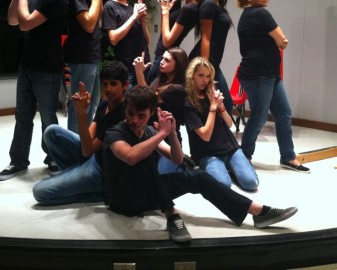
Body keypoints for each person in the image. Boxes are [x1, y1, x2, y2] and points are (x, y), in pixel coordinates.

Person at [103, 85, 298, 243]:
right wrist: (161, 134)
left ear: (151, 113)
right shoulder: (115, 133)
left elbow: (177, 159)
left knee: (197, 176)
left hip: (147, 192)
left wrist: (170, 133)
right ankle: (171, 214)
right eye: (130, 113)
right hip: (123, 199)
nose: (134, 120)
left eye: (141, 116)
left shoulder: (148, 132)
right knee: (145, 161)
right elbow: (131, 156)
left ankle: (257, 211)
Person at [0, 0, 69, 181]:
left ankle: (54, 159)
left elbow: (26, 24)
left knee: (48, 117)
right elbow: (12, 19)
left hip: (47, 67)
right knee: (22, 116)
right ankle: (17, 161)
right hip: (27, 65)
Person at [236, 0, 310, 173]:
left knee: (284, 114)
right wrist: (280, 41)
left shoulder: (248, 14)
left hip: (269, 74)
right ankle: (243, 157)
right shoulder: (260, 14)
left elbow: (280, 41)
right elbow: (282, 39)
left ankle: (288, 157)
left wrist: (280, 41)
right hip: (258, 75)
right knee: (259, 118)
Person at [32, 61, 129, 205]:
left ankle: (97, 193)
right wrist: (80, 111)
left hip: (101, 169)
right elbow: (87, 141)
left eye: (113, 84)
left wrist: (82, 113)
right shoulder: (104, 104)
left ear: (125, 85)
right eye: (105, 84)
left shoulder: (122, 114)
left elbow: (87, 150)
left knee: (39, 192)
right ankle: (76, 176)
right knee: (51, 132)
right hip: (92, 156)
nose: (108, 89)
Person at [184, 57, 259, 190]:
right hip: (207, 153)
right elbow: (205, 136)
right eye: (201, 75)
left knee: (252, 183)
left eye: (208, 76)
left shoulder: (211, 94)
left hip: (229, 147)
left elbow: (230, 124)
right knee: (224, 185)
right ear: (192, 76)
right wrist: (213, 108)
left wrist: (221, 107)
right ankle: (223, 170)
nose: (205, 80)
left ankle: (231, 169)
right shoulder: (189, 103)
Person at [61, 0, 105, 134]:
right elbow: (88, 24)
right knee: (81, 107)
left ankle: (83, 149)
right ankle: (75, 152)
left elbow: (99, 19)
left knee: (92, 105)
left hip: (91, 54)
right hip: (81, 55)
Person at [133, 47, 191, 173]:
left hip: (168, 140)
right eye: (162, 58)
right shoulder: (160, 80)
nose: (161, 61)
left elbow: (148, 99)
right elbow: (144, 95)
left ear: (178, 65)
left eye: (167, 60)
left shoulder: (178, 89)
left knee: (162, 178)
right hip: (150, 134)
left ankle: (181, 163)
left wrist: (139, 72)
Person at [189, 0, 233, 115]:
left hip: (212, 63)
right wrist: (204, 67)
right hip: (206, 61)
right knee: (223, 102)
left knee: (219, 103)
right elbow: (205, 38)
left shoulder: (216, 3)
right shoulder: (208, 4)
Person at [147, 0, 199, 83]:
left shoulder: (189, 8)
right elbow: (165, 32)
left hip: (164, 56)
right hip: (165, 56)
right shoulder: (188, 6)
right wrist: (165, 11)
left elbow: (167, 42)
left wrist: (165, 12)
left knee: (146, 94)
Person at [102, 0, 151, 86]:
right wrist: (135, 17)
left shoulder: (131, 8)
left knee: (144, 102)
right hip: (126, 68)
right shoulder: (110, 6)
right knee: (128, 103)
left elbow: (147, 40)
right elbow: (113, 39)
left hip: (142, 64)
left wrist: (143, 20)